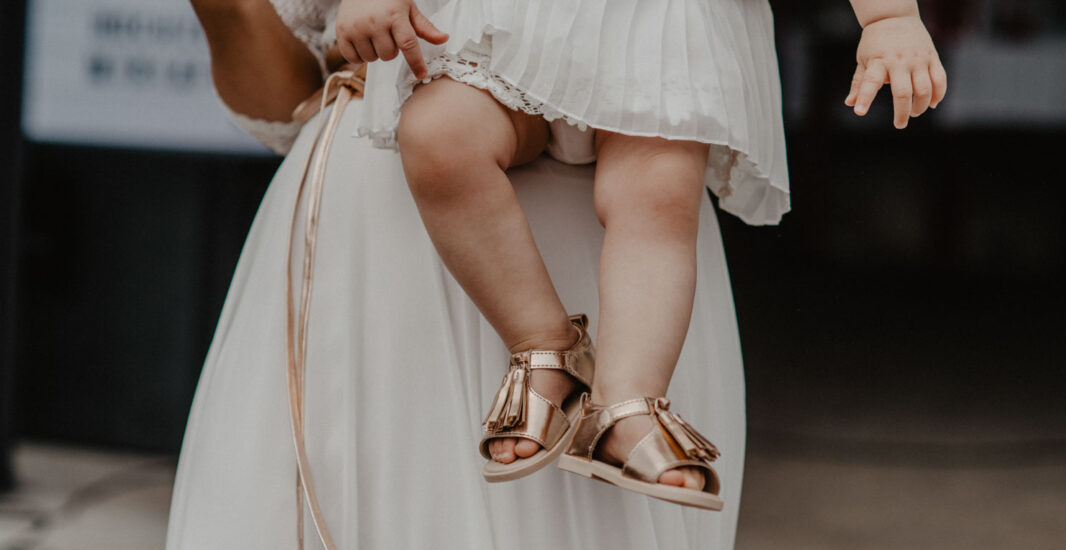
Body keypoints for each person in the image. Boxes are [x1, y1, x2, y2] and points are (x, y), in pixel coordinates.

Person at [150, 0, 748, 550]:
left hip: (639, 243)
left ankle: (622, 403)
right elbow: (277, 85)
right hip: (415, 199)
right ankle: (552, 356)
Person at [333, 0, 945, 507]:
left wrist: (888, 16)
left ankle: (625, 404)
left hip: (659, 42)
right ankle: (543, 344)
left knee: (657, 195)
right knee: (437, 134)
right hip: (503, 35)